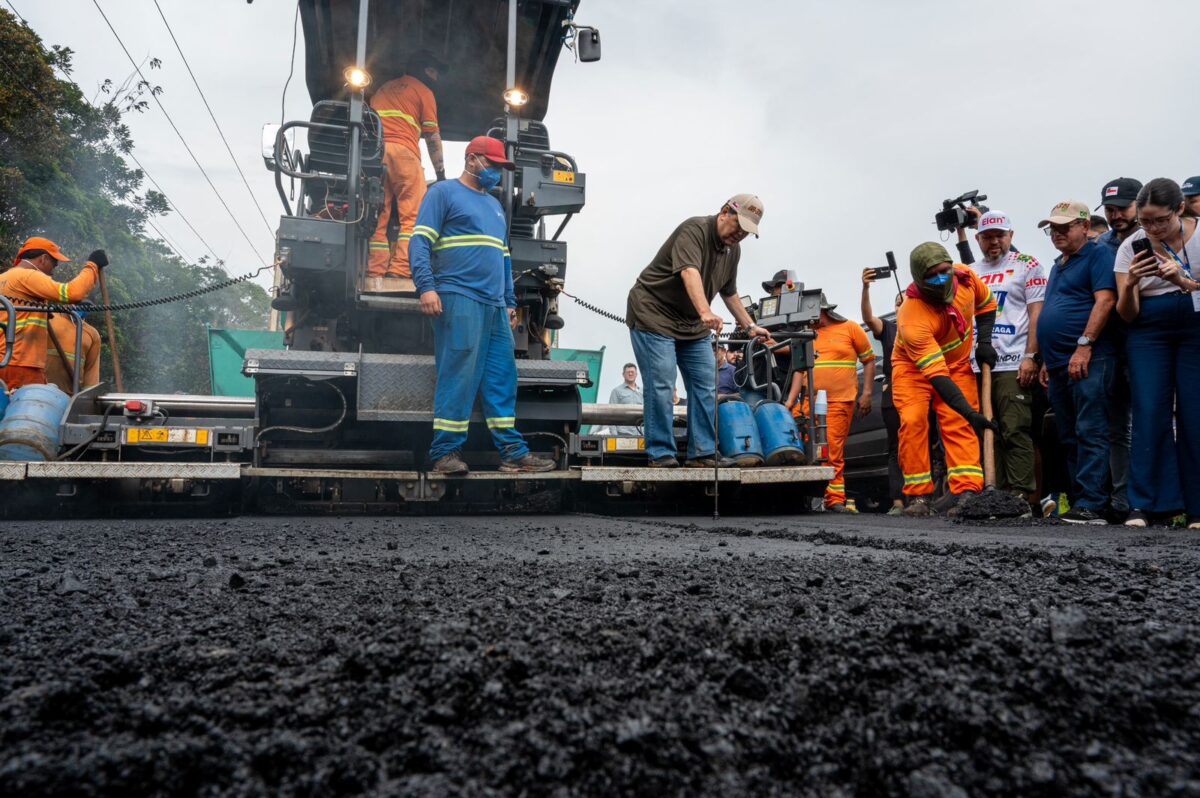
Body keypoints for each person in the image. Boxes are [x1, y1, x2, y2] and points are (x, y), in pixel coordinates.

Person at [410, 135, 554, 475]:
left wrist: (509, 300)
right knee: (459, 374)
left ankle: (512, 452)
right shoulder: (442, 194)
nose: (496, 173)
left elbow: (503, 257)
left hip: (494, 306)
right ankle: (445, 453)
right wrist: (426, 287)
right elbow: (419, 242)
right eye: (492, 165)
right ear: (472, 159)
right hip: (458, 297)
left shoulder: (494, 207)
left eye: (501, 167)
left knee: (502, 377)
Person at [625, 195, 770, 468]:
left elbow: (729, 292)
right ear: (725, 212)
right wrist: (705, 311)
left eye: (747, 232)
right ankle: (661, 453)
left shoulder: (733, 251)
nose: (740, 235)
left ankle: (702, 453)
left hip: (691, 324)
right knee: (662, 384)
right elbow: (689, 272)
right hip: (653, 314)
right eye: (739, 226)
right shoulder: (695, 230)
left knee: (706, 382)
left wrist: (750, 326)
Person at [1114, 178, 1200, 529]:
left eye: (1160, 220)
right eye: (1145, 221)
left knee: (1194, 412)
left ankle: (1197, 508)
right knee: (1149, 411)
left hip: (1195, 327)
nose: (1152, 229)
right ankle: (1146, 504)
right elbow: (1126, 314)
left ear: (1179, 209)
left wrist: (1184, 282)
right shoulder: (1130, 246)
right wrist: (1131, 284)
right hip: (1148, 331)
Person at [892, 242, 998, 517]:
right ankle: (919, 496)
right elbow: (937, 376)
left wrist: (984, 342)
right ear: (919, 279)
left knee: (959, 423)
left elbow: (987, 305)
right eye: (932, 276)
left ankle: (967, 492)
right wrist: (970, 412)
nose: (941, 279)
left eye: (945, 271)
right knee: (913, 421)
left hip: (957, 364)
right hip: (914, 370)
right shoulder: (912, 315)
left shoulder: (966, 278)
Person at [1036, 200, 1120, 525]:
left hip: (1090, 358)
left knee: (1091, 429)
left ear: (1085, 226)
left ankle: (1094, 503)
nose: (1056, 233)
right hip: (1058, 362)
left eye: (1064, 227)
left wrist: (1084, 345)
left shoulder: (1098, 255)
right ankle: (1079, 500)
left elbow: (1106, 300)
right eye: (1052, 228)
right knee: (1069, 433)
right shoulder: (1059, 264)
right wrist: (1046, 359)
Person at [967, 211, 1046, 509]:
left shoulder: (1027, 264)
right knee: (988, 430)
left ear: (1011, 236)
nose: (994, 242)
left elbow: (1037, 313)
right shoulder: (970, 271)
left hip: (1013, 361)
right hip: (977, 364)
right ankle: (997, 493)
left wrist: (1031, 356)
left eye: (1000, 235)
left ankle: (1021, 494)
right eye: (987, 237)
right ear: (978, 239)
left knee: (1015, 428)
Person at [785, 293, 875, 512]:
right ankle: (805, 497)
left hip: (839, 401)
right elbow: (799, 370)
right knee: (802, 448)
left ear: (822, 310)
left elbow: (869, 360)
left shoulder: (850, 328)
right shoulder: (807, 335)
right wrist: (789, 403)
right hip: (808, 403)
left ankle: (834, 499)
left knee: (832, 449)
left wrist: (867, 393)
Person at [367, 50, 447, 284]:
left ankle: (374, 270)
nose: (437, 77)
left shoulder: (382, 90)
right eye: (435, 72)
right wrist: (440, 173)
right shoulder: (424, 92)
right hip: (404, 155)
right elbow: (432, 136)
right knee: (412, 215)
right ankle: (401, 269)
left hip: (375, 156)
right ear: (426, 70)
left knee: (378, 215)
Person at [0, 238, 102, 390]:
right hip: (22, 363)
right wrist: (93, 266)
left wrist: (41, 310)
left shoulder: (4, 278)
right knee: (33, 404)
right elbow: (72, 293)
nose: (55, 268)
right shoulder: (28, 276)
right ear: (43, 259)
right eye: (54, 262)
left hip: (5, 360)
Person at [862, 269, 905, 514]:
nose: (902, 305)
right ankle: (898, 501)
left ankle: (923, 498)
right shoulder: (889, 328)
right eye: (898, 302)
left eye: (907, 301)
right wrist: (866, 288)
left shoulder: (926, 325)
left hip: (922, 392)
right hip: (893, 393)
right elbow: (868, 317)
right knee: (896, 446)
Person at [44, 310, 101, 394]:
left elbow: (91, 373)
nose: (81, 307)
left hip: (71, 395)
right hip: (40, 390)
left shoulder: (92, 334)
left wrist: (88, 397)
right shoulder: (49, 318)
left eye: (85, 305)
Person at [1096, 177, 1143, 255]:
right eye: (1109, 210)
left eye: (1123, 208)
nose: (1116, 216)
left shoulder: (1156, 239)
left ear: (1140, 205)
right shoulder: (1102, 242)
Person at [608, 363, 643, 436]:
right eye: (628, 372)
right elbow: (611, 413)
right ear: (623, 374)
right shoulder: (616, 391)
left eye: (632, 372)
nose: (630, 374)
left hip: (641, 433)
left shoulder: (643, 391)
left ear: (636, 374)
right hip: (623, 434)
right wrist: (614, 435)